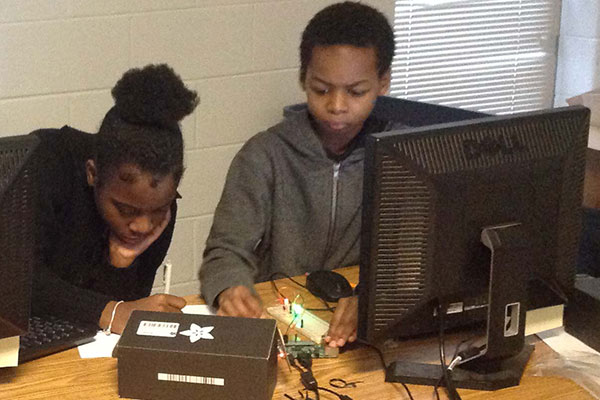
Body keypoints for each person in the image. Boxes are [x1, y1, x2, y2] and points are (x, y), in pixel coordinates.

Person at [200, 1, 401, 348]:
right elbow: (225, 250)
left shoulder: (399, 157)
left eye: (356, 91)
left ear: (383, 82)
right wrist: (231, 288)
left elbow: (413, 261)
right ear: (302, 77)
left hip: (362, 326)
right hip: (283, 319)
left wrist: (373, 298)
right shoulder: (264, 155)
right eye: (321, 89)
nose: (337, 105)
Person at [30, 64, 199, 334]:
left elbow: (126, 314)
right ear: (92, 173)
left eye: (158, 209)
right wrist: (110, 311)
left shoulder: (161, 210)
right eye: (125, 209)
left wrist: (121, 261)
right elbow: (19, 281)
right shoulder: (48, 162)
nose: (143, 225)